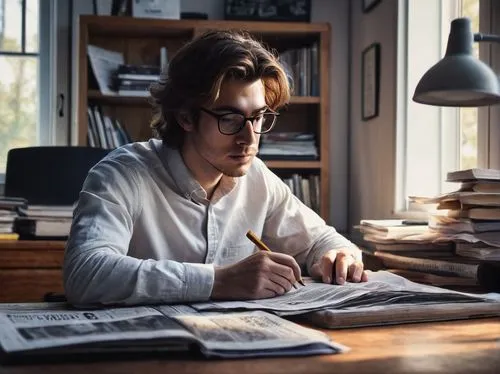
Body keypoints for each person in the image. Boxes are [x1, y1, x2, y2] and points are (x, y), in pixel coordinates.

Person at [64, 30, 368, 306]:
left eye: (259, 117)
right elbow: (86, 273)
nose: (249, 138)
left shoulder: (258, 177)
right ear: (185, 117)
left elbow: (321, 241)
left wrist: (340, 255)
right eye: (229, 119)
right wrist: (219, 280)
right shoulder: (122, 174)